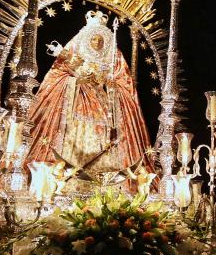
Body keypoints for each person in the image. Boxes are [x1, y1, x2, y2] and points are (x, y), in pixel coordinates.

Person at [27, 10, 152, 175]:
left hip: (102, 102)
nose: (97, 42)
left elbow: (123, 81)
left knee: (102, 133)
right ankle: (67, 172)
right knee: (76, 132)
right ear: (87, 38)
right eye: (94, 38)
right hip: (77, 98)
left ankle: (100, 174)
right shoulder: (74, 48)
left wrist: (108, 82)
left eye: (100, 40)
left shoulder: (113, 55)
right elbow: (58, 74)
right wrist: (78, 80)